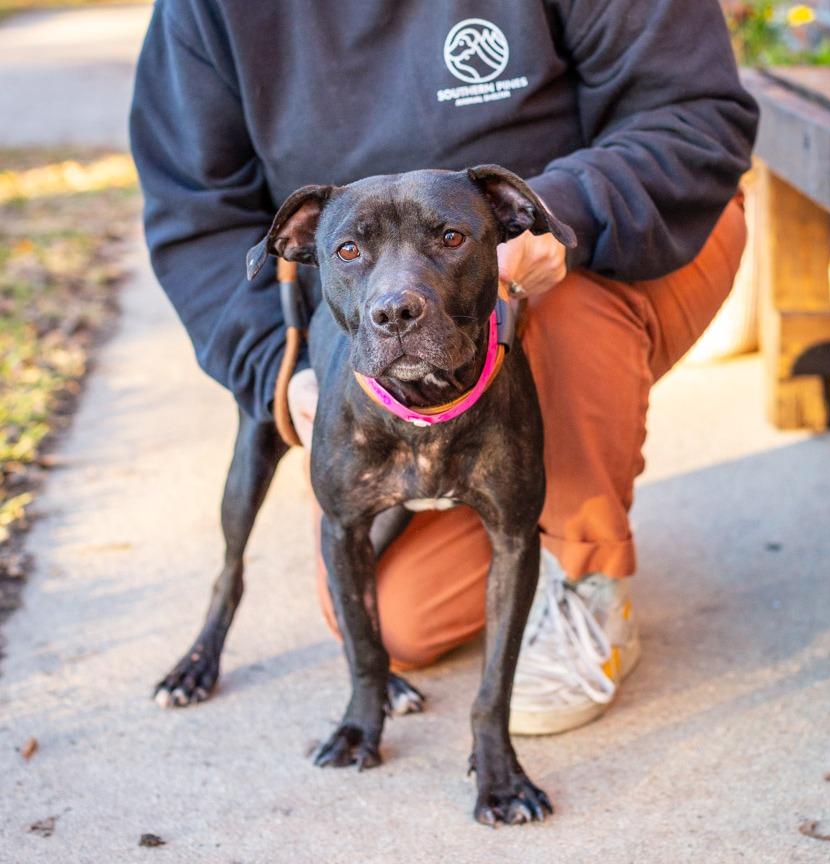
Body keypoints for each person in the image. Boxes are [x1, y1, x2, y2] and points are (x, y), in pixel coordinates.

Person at [130, 0, 758, 736]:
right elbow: (198, 217)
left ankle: (586, 571)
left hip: (603, 234)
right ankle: (528, 521)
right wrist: (283, 368)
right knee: (403, 622)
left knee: (539, 308)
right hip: (384, 325)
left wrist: (558, 214)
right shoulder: (208, 13)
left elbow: (692, 114)